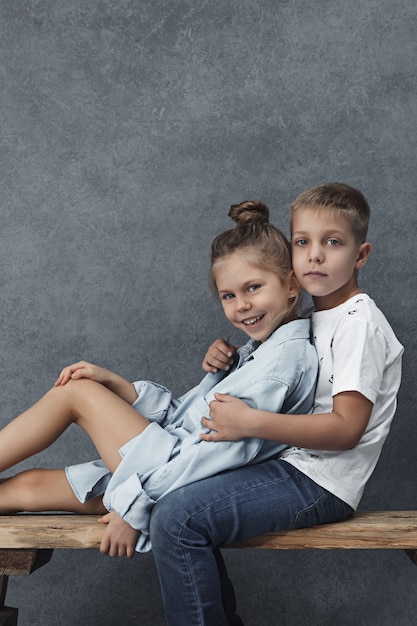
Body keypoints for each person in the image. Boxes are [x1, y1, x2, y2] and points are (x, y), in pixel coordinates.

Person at [148, 182, 404, 625]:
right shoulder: (316, 318)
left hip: (319, 482)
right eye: (303, 242)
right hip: (286, 464)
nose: (315, 255)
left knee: (178, 519)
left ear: (360, 255)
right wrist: (224, 361)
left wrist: (250, 422)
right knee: (174, 493)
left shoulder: (358, 326)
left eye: (333, 242)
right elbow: (275, 371)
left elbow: (345, 430)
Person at [0, 200, 318, 555]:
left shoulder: (279, 365)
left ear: (291, 284)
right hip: (164, 468)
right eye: (229, 295)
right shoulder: (253, 355)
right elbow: (180, 419)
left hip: (168, 479)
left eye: (253, 288)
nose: (241, 305)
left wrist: (134, 507)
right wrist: (117, 384)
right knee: (24, 487)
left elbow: (218, 456)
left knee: (74, 392)